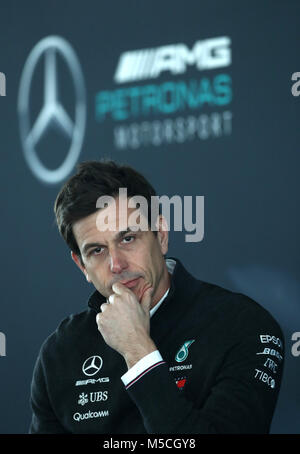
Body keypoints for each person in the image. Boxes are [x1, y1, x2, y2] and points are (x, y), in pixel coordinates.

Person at [29, 160, 284, 434]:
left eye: (128, 238)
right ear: (82, 266)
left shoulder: (243, 326)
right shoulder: (61, 352)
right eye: (97, 251)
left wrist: (138, 351)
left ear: (161, 235)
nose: (116, 264)